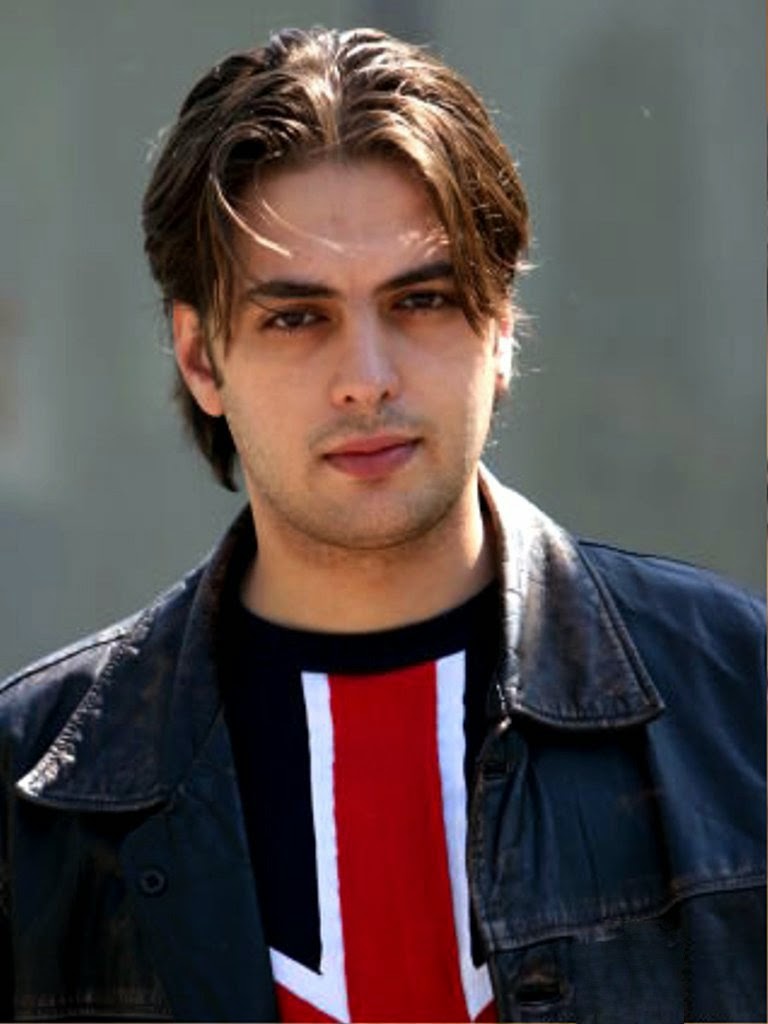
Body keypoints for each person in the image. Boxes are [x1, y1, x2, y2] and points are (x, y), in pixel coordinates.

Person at [0, 26, 764, 1024]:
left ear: (500, 325)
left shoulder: (738, 699)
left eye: (422, 300)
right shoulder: (37, 795)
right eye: (296, 317)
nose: (366, 378)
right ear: (200, 359)